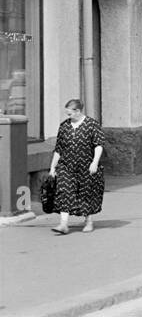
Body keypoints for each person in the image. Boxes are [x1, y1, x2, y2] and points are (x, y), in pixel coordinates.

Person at [48, 99, 105, 234]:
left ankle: (88, 221)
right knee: (64, 191)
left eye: (70, 114)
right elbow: (58, 149)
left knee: (85, 194)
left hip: (86, 166)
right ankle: (63, 224)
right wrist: (52, 168)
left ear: (78, 111)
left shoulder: (91, 125)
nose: (68, 117)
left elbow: (98, 145)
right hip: (66, 166)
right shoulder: (64, 126)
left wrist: (95, 162)